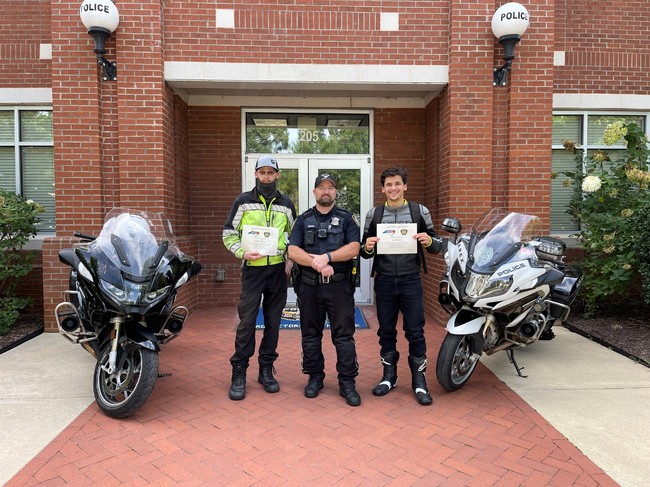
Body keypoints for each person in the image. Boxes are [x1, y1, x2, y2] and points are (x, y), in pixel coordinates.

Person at [360, 167, 442, 405]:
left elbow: (437, 245)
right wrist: (368, 246)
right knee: (386, 331)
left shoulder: (419, 211)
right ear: (382, 189)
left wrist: (428, 240)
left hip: (410, 279)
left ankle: (419, 381)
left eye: (397, 184)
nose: (393, 188)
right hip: (384, 280)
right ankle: (389, 377)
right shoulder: (374, 214)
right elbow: (364, 251)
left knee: (415, 331)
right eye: (389, 185)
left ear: (405, 186)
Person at [222, 155, 296, 401]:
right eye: (262, 172)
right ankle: (239, 371)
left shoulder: (286, 203)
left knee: (274, 322)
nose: (266, 176)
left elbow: (293, 235)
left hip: (277, 271)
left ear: (277, 175)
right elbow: (228, 233)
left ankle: (266, 370)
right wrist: (242, 253)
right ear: (255, 174)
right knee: (247, 322)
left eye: (270, 172)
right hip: (252, 271)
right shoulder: (243, 201)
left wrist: (290, 257)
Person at [288, 174, 362, 406]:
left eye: (330, 188)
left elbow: (354, 248)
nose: (326, 191)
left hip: (339, 287)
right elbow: (292, 250)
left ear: (335, 192)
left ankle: (347, 382)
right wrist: (317, 263)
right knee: (310, 335)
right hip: (309, 286)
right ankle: (315, 377)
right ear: (314, 192)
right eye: (321, 188)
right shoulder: (303, 220)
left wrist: (328, 257)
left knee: (344, 336)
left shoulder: (347, 218)